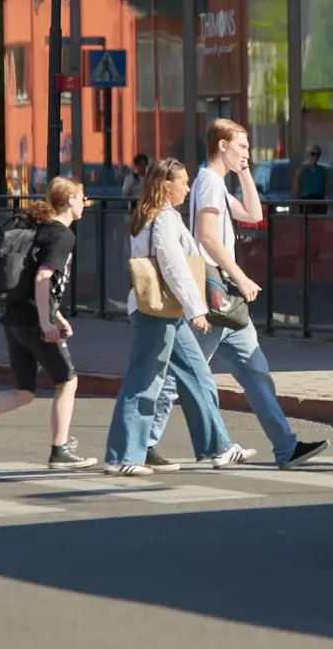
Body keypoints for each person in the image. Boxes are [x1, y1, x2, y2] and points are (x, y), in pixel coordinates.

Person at [145, 120, 329, 472]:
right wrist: (241, 277)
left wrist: (246, 174)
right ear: (223, 146)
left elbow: (254, 215)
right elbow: (208, 236)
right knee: (181, 373)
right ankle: (145, 442)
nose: (247, 153)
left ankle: (286, 447)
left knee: (255, 370)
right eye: (242, 147)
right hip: (216, 295)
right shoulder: (210, 182)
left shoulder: (212, 182)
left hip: (225, 300)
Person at [105, 158, 256, 476]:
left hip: (164, 310)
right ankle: (124, 456)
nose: (188, 188)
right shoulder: (163, 219)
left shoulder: (155, 216)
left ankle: (219, 447)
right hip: (158, 312)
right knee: (144, 380)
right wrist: (196, 309)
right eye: (183, 181)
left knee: (197, 375)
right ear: (165, 185)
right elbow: (174, 267)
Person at [0, 177, 98, 470]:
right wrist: (45, 322)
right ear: (68, 201)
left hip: (15, 317)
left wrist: (57, 316)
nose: (85, 203)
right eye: (82, 198)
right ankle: (60, 450)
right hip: (32, 320)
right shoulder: (62, 236)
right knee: (68, 381)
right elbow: (42, 279)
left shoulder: (39, 229)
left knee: (24, 391)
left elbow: (35, 283)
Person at [292, 144, 328, 215]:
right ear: (308, 155)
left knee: (318, 223)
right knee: (307, 224)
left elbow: (327, 189)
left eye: (318, 154)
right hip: (306, 202)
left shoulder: (323, 171)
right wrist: (292, 206)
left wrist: (329, 203)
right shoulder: (301, 171)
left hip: (319, 201)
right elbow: (295, 190)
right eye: (313, 154)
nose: (315, 156)